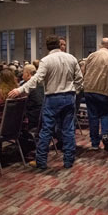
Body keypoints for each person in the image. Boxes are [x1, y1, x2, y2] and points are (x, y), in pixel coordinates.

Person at [8, 35, 82, 169]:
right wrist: (74, 92)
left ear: (47, 47)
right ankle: (68, 161)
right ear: (60, 45)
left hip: (53, 98)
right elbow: (79, 79)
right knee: (68, 130)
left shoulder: (46, 60)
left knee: (46, 130)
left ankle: (41, 161)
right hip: (69, 97)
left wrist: (20, 90)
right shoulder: (72, 58)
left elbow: (36, 79)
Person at [82, 38, 108, 151]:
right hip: (104, 91)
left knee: (93, 116)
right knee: (105, 114)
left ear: (100, 46)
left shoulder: (91, 56)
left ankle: (95, 143)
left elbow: (83, 71)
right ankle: (105, 135)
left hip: (89, 90)